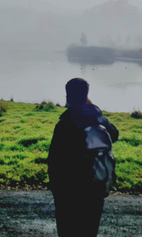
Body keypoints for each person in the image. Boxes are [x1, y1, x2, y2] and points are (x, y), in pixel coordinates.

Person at [47, 78, 119, 237]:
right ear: (86, 95)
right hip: (94, 189)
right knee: (89, 231)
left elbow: (54, 160)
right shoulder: (95, 118)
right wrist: (94, 110)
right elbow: (114, 135)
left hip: (68, 191)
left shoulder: (65, 123)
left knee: (68, 231)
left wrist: (55, 188)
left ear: (67, 96)